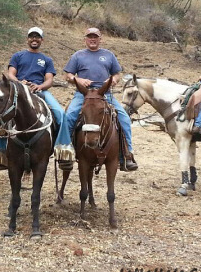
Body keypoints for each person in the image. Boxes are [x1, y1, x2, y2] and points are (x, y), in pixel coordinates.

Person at [54, 27, 139, 171]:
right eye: (89, 37)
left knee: (124, 117)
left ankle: (126, 155)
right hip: (84, 94)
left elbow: (117, 74)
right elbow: (68, 75)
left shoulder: (109, 55)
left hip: (104, 94)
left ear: (100, 39)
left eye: (95, 37)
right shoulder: (78, 55)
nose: (92, 39)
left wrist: (113, 80)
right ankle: (66, 153)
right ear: (85, 39)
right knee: (68, 116)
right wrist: (79, 80)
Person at [0, 26, 65, 169]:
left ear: (42, 40)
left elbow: (49, 80)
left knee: (60, 114)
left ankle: (61, 149)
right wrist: (19, 83)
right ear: (27, 39)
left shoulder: (46, 60)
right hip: (19, 91)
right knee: (4, 114)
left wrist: (40, 86)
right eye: (31, 36)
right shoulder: (18, 56)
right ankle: (0, 152)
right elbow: (11, 74)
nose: (34, 39)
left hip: (39, 90)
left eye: (37, 37)